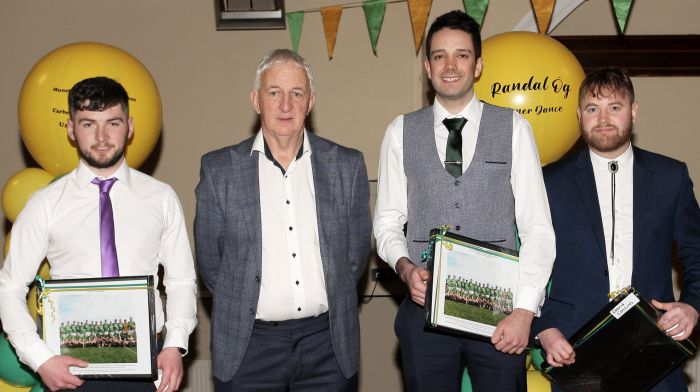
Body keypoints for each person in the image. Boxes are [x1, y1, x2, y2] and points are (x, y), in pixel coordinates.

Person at [373, 10, 556, 392]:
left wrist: (524, 311)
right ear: (427, 66)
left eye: (462, 55)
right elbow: (387, 222)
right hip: (425, 315)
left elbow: (537, 228)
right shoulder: (400, 131)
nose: (450, 65)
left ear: (478, 65)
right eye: (440, 55)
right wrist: (404, 267)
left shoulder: (514, 128)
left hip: (500, 317)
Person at [0, 77, 198, 392]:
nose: (102, 136)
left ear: (130, 126)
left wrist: (175, 345)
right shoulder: (46, 203)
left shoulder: (161, 197)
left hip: (149, 365)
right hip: (68, 369)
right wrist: (40, 359)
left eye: (113, 123)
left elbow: (181, 282)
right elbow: (8, 287)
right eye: (89, 124)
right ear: (70, 128)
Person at [194, 48, 371, 391]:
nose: (286, 105)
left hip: (328, 346)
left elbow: (353, 258)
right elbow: (212, 265)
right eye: (274, 92)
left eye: (297, 93)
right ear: (256, 100)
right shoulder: (219, 170)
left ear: (311, 101)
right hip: (250, 348)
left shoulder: (347, 166)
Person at [532, 67, 700, 391]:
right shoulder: (548, 182)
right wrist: (544, 327)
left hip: (655, 344)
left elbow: (696, 251)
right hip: (574, 348)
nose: (603, 118)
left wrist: (692, 305)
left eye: (615, 107)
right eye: (593, 109)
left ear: (633, 112)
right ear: (579, 115)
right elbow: (528, 263)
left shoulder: (671, 177)